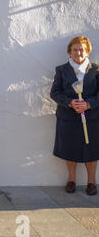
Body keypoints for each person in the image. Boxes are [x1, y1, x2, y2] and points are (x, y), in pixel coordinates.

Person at [50, 35, 97, 195]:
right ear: (70, 52)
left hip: (92, 118)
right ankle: (71, 180)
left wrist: (89, 104)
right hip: (68, 117)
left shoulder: (96, 70)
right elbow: (55, 92)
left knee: (91, 150)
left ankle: (92, 182)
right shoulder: (61, 70)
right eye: (75, 49)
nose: (78, 52)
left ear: (88, 52)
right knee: (70, 149)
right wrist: (70, 102)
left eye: (82, 49)